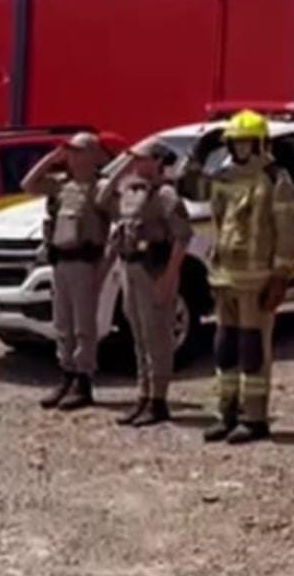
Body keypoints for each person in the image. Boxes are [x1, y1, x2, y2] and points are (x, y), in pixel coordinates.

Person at [177, 110, 294, 445]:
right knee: (225, 349)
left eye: (246, 142)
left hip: (257, 281)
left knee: (252, 350)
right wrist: (196, 155)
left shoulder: (276, 180)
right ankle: (226, 412)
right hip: (223, 278)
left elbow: (288, 234)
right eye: (235, 142)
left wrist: (280, 277)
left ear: (261, 143)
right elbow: (189, 188)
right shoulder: (224, 177)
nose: (240, 148)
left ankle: (255, 417)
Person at [99, 140, 193, 427]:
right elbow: (102, 200)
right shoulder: (132, 193)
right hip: (130, 267)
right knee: (138, 335)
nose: (136, 164)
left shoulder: (165, 196)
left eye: (142, 159)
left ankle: (159, 400)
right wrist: (122, 169)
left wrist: (169, 277)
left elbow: (182, 237)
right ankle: (143, 395)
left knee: (158, 338)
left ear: (157, 162)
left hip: (155, 269)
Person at [22, 132, 109, 411]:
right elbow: (28, 184)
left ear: (91, 155)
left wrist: (106, 264)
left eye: (76, 151)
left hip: (86, 262)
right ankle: (67, 374)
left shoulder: (99, 189)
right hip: (61, 261)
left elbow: (122, 223)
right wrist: (51, 159)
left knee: (84, 325)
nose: (70, 156)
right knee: (63, 323)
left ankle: (83, 381)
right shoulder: (62, 186)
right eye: (69, 152)